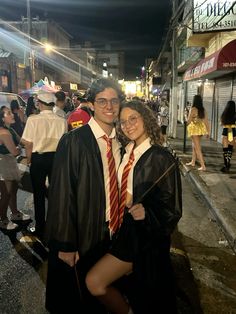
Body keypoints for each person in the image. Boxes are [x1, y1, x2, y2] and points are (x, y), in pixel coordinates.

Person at [85, 100, 182, 314]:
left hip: (142, 238)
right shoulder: (127, 149)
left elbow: (172, 208)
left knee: (95, 282)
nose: (128, 125)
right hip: (121, 229)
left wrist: (148, 213)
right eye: (123, 122)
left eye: (133, 119)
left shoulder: (159, 157)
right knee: (134, 291)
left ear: (145, 119)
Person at [44, 78, 125, 313]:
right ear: (91, 104)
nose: (109, 107)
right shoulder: (74, 141)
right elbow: (62, 193)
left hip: (115, 232)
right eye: (102, 101)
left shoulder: (121, 141)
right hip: (85, 234)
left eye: (114, 101)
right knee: (81, 299)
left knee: (107, 295)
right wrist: (66, 243)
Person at [21, 91, 67, 239]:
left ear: (39, 104)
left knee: (39, 195)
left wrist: (28, 160)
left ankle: (41, 227)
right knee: (55, 193)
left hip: (38, 159)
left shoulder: (33, 120)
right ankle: (57, 225)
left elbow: (27, 143)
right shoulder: (62, 120)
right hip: (56, 159)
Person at [0, 106, 31, 230]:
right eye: (8, 113)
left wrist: (25, 145)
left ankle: (15, 213)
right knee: (6, 193)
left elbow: (22, 141)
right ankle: (3, 219)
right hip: (4, 164)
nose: (12, 114)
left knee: (13, 190)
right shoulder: (4, 132)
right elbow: (14, 151)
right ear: (2, 118)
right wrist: (22, 149)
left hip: (9, 163)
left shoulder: (10, 129)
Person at [186, 94, 210, 171]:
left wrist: (186, 118)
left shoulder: (193, 109)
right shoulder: (203, 110)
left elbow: (188, 121)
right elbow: (206, 122)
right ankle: (193, 162)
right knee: (194, 146)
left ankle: (203, 166)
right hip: (201, 130)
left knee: (197, 148)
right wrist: (208, 132)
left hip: (194, 130)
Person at [220, 100, 236, 173]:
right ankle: (227, 164)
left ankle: (225, 165)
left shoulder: (224, 114)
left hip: (226, 132)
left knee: (225, 150)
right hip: (233, 132)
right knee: (230, 150)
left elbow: (221, 124)